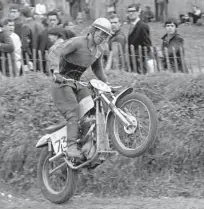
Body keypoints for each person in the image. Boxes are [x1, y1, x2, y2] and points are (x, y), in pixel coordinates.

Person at [49, 18, 111, 158]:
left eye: (106, 36)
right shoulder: (77, 42)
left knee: (90, 111)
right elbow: (55, 51)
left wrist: (107, 84)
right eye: (101, 34)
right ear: (93, 31)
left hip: (77, 84)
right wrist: (55, 71)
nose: (103, 38)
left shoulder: (98, 51)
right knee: (73, 112)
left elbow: (97, 69)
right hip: (62, 83)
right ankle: (71, 147)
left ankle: (86, 144)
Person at [127, 3, 152, 74]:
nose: (131, 13)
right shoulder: (132, 25)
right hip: (132, 61)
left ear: (138, 12)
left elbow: (147, 46)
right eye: (129, 11)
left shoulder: (143, 26)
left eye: (133, 11)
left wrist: (139, 59)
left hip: (140, 62)